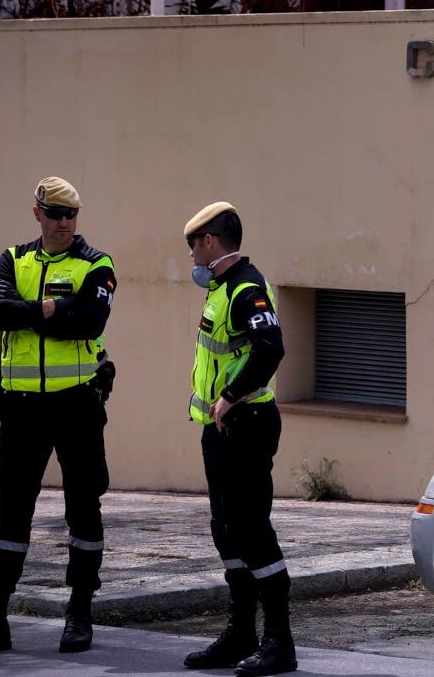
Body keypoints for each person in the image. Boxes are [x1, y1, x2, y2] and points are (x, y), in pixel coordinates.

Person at [0, 176, 117, 657]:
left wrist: (31, 311)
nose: (63, 223)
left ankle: (80, 614)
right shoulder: (13, 258)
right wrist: (53, 307)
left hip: (77, 407)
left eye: (71, 215)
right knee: (10, 516)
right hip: (22, 411)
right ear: (37, 214)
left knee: (84, 511)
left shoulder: (97, 263)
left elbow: (91, 320)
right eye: (55, 214)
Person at [181, 201, 295, 677]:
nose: (190, 256)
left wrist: (228, 396)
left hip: (246, 423)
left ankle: (279, 642)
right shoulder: (222, 289)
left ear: (209, 242)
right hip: (222, 428)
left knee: (251, 530)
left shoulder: (246, 288)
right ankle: (242, 632)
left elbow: (271, 348)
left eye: (193, 245)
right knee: (225, 528)